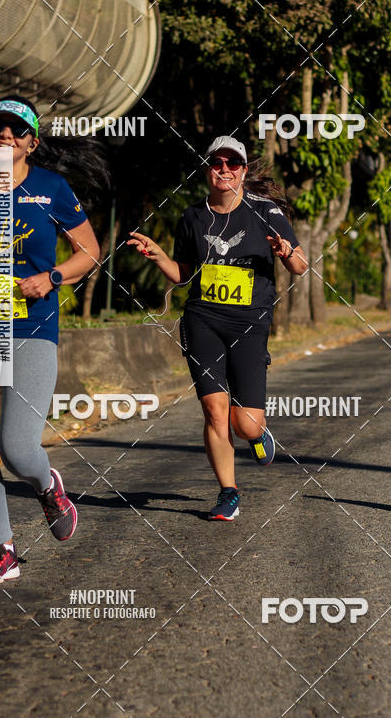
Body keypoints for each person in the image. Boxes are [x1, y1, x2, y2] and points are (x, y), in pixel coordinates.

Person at [0, 95, 100, 583]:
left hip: (32, 327)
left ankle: (48, 484)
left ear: (31, 141)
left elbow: (89, 252)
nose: (4, 135)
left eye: (15, 129)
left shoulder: (52, 188)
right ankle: (3, 551)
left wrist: (52, 277)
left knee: (16, 447)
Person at [127, 135, 307, 520]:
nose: (224, 170)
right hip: (202, 318)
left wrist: (286, 252)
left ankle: (258, 434)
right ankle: (228, 492)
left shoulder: (266, 211)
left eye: (233, 164)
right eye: (216, 163)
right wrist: (158, 256)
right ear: (207, 169)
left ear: (242, 171)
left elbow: (300, 266)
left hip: (250, 322)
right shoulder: (192, 217)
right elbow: (184, 275)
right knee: (213, 410)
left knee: (244, 423)